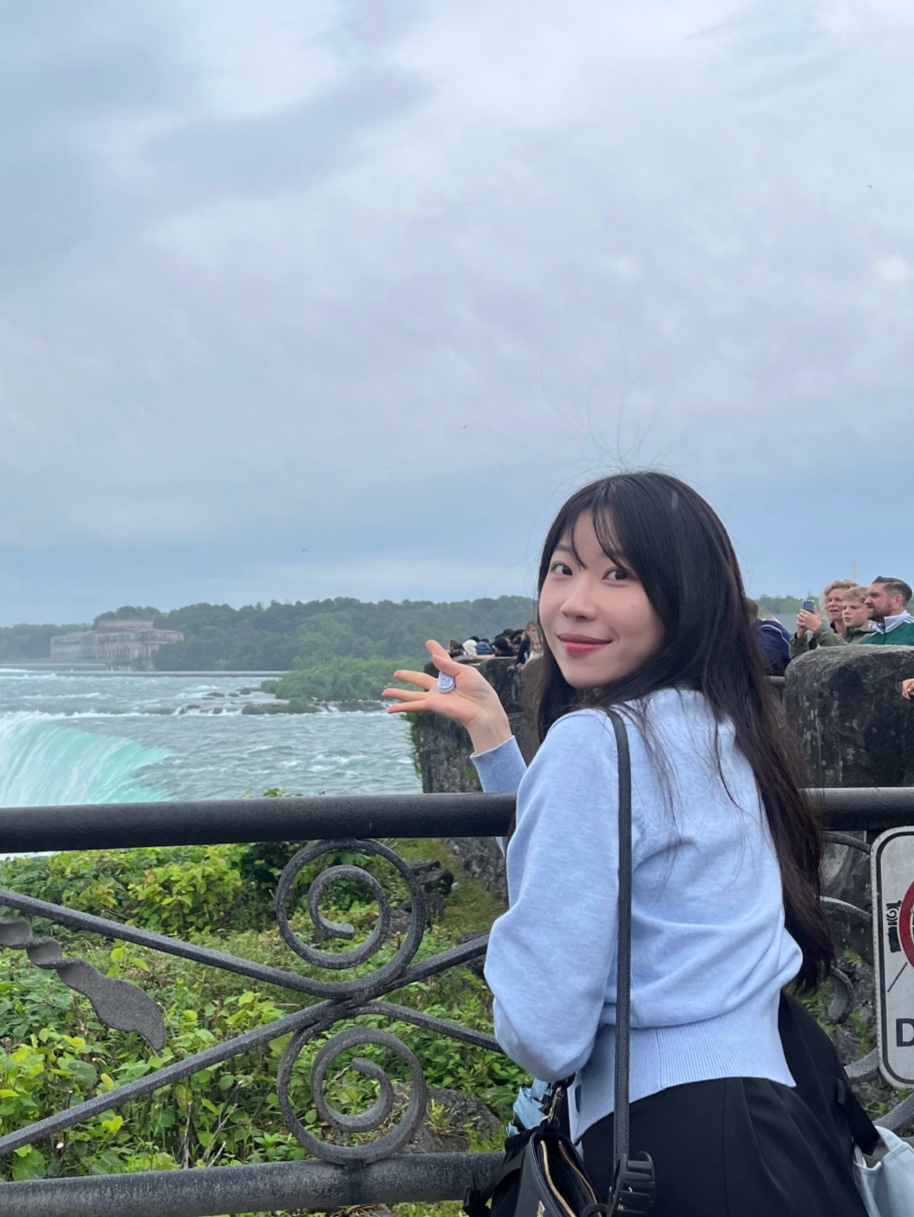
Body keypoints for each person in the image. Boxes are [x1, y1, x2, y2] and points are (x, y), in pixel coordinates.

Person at [385, 471, 865, 1217]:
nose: (575, 602)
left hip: (673, 1147)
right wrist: (495, 739)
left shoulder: (593, 743)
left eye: (619, 575)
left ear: (687, 596)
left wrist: (514, 956)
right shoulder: (719, 722)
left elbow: (545, 1034)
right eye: (563, 569)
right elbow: (594, 860)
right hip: (781, 1115)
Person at [789, 579, 855, 659]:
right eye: (829, 600)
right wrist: (800, 636)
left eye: (838, 600)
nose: (832, 604)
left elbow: (847, 654)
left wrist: (818, 628)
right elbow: (798, 660)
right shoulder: (815, 635)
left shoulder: (863, 635)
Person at [860, 576, 914, 645]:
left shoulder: (911, 630)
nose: (866, 601)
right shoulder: (868, 639)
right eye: (867, 596)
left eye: (874, 596)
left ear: (897, 600)